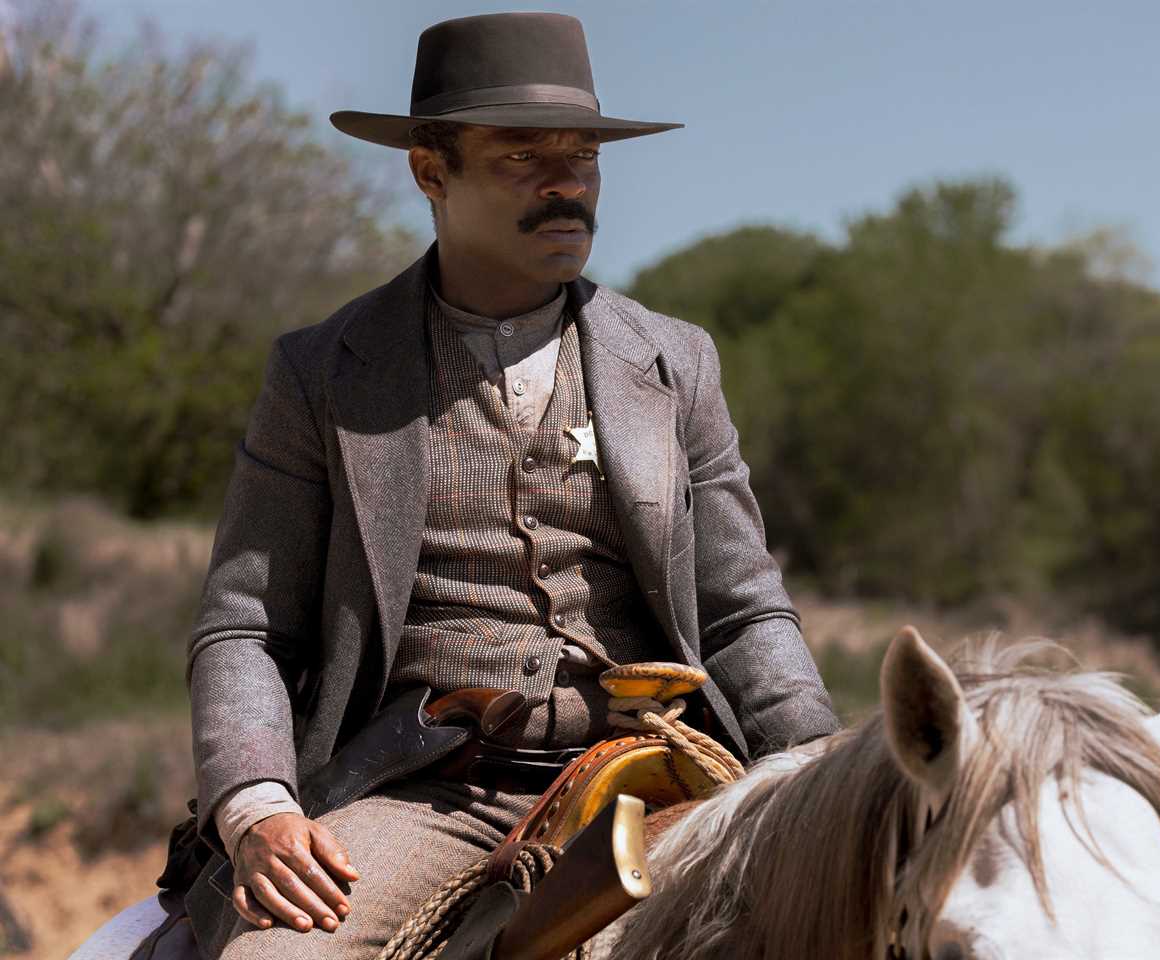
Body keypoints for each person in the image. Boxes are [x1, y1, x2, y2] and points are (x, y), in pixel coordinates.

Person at [166, 12, 838, 959]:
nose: (566, 183)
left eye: (584, 158)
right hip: (423, 789)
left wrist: (820, 762)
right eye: (524, 156)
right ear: (430, 171)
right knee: (276, 956)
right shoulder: (322, 372)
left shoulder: (677, 362)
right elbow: (246, 627)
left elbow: (743, 613)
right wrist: (257, 808)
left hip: (661, 780)